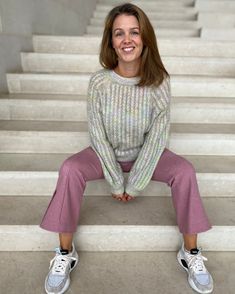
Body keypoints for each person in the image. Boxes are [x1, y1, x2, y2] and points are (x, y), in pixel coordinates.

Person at [40, 3, 213, 294]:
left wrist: (134, 183)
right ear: (111, 41)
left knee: (185, 171)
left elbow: (158, 137)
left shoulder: (159, 81)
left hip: (147, 154)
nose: (127, 39)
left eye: (134, 32)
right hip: (104, 154)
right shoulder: (99, 82)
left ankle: (191, 253)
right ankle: (65, 253)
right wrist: (115, 179)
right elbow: (97, 133)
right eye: (119, 33)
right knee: (70, 168)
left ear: (145, 38)